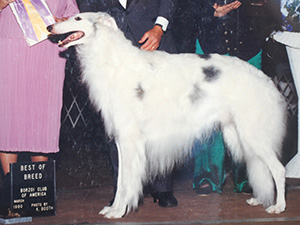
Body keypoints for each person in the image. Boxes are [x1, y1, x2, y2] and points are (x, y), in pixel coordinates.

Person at [77, 0, 178, 207]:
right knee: (120, 124)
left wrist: (160, 27)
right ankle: (123, 191)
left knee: (160, 118)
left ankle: (163, 188)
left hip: (154, 41)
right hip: (115, 53)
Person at [178, 0, 282, 195]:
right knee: (206, 117)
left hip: (248, 46)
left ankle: (246, 178)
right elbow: (186, 9)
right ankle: (207, 177)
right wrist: (211, 13)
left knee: (249, 116)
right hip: (209, 45)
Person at [0, 0, 79, 217]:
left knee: (43, 119)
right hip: (10, 46)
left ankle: (36, 196)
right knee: (9, 119)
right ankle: (11, 195)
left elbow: (74, 16)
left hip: (49, 51)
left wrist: (65, 23)